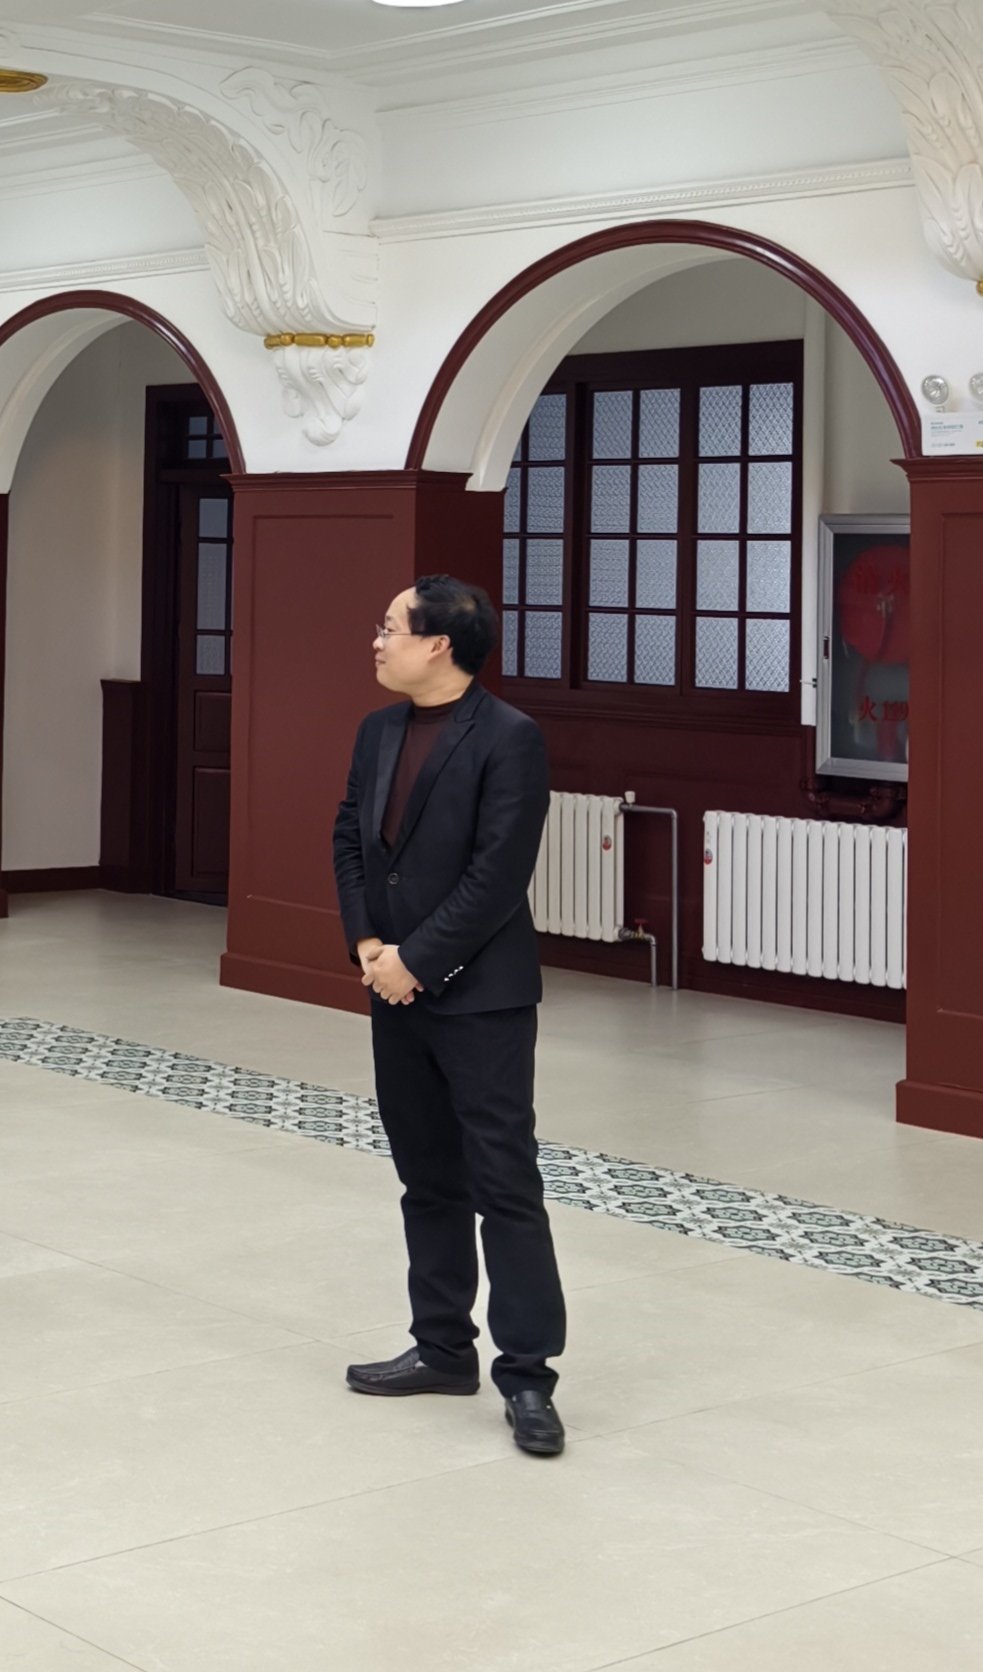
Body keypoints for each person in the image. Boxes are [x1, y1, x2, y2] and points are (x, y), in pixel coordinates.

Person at [332, 574, 567, 1458]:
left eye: (389, 627)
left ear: (438, 644)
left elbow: (498, 875)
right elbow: (349, 838)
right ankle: (441, 1349)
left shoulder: (510, 737)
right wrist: (369, 945)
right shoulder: (378, 730)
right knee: (426, 1177)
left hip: (481, 998)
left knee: (504, 1184)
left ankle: (528, 1376)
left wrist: (416, 963)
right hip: (391, 985)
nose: (376, 640)